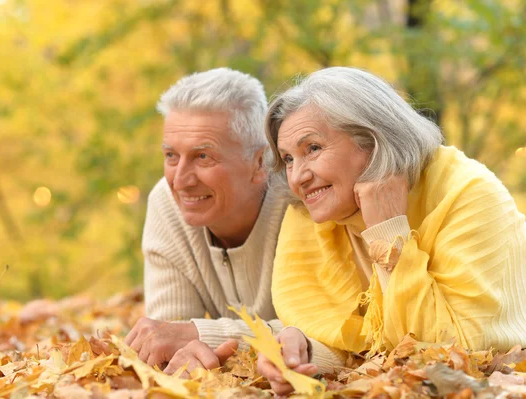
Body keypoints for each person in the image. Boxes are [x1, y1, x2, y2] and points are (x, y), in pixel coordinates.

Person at [256, 67, 526, 395]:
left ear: (372, 141)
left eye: (312, 148)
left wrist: (388, 233)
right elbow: (357, 346)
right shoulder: (311, 212)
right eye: (288, 159)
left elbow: (453, 354)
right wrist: (303, 353)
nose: (297, 177)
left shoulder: (469, 192)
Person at [125, 68, 289, 377]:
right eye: (171, 155)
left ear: (259, 162)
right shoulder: (166, 202)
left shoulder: (300, 201)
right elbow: (167, 339)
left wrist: (202, 335)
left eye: (203, 157)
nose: (181, 181)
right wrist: (187, 346)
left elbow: (325, 331)